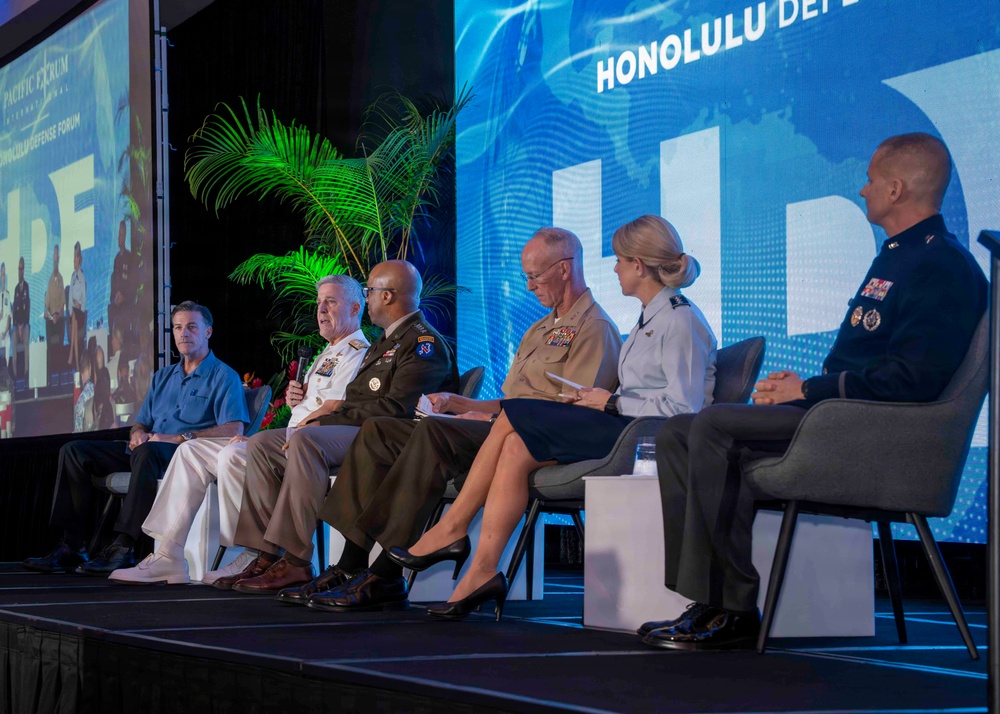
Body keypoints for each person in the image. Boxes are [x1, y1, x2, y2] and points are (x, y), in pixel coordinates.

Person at [639, 132, 988, 651]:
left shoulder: (940, 265)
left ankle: (732, 607)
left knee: (711, 426)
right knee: (679, 432)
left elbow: (915, 381)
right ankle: (708, 597)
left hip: (877, 431)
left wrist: (812, 388)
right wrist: (801, 391)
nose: (863, 189)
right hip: (841, 413)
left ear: (895, 189)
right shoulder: (901, 255)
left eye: (871, 179)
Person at [393, 215, 717, 619]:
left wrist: (612, 403)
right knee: (513, 445)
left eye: (619, 259)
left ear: (638, 264)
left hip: (641, 436)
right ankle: (481, 571)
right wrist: (606, 401)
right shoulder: (649, 318)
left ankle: (454, 527)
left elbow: (684, 408)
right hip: (623, 423)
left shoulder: (680, 319)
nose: (613, 268)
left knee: (516, 415)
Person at [291, 226, 623, 613]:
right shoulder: (539, 329)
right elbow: (512, 401)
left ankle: (385, 574)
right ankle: (350, 564)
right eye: (526, 277)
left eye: (535, 276)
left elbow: (569, 410)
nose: (529, 286)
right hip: (506, 425)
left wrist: (482, 418)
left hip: (536, 440)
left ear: (565, 270)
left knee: (431, 433)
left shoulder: (594, 328)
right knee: (379, 431)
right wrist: (460, 403)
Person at [213, 260, 459, 594]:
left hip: (388, 439)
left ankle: (297, 562)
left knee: (307, 441)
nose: (367, 298)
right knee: (261, 445)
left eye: (370, 291)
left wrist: (330, 415)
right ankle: (266, 554)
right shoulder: (386, 342)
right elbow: (357, 400)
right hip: (359, 430)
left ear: (387, 296)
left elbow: (396, 411)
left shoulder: (422, 343)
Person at [109, 275, 370, 585]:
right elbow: (313, 404)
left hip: (307, 450)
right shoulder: (325, 352)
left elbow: (335, 409)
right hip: (286, 442)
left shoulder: (357, 350)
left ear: (355, 308)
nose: (321, 309)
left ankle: (252, 551)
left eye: (331, 302)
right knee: (190, 451)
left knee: (233, 454)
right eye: (318, 303)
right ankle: (169, 555)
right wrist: (293, 399)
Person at [23, 301, 250, 575]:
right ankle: (72, 545)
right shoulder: (164, 376)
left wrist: (180, 437)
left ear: (208, 332)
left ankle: (124, 546)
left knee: (148, 452)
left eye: (191, 327)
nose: (183, 334)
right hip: (147, 449)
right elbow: (141, 421)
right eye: (178, 327)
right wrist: (138, 434)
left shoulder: (224, 376)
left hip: (182, 455)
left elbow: (234, 429)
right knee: (74, 451)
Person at [108, 220, 135, 344]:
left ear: (125, 236)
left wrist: (123, 297)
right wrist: (115, 297)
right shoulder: (116, 259)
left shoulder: (130, 258)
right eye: (118, 234)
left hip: (126, 302)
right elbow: (114, 282)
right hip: (117, 302)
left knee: (125, 314)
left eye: (121, 234)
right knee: (111, 310)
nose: (119, 237)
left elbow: (132, 284)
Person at [44, 244, 66, 373]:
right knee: (48, 325)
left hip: (59, 317)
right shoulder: (49, 281)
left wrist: (58, 316)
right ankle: (49, 369)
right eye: (54, 257)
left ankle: (60, 369)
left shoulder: (62, 279)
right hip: (51, 318)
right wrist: (52, 317)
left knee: (62, 323)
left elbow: (63, 306)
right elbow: (46, 308)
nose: (56, 260)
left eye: (57, 257)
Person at [67, 242, 87, 370]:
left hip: (80, 313)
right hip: (74, 314)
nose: (74, 260)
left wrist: (80, 308)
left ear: (79, 260)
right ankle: (76, 361)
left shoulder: (81, 275)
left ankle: (71, 355)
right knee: (73, 316)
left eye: (76, 257)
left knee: (75, 315)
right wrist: (71, 310)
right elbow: (69, 299)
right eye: (73, 257)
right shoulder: (72, 277)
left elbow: (84, 298)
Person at [12, 256, 29, 381]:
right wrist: (17, 325)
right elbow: (15, 310)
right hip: (17, 326)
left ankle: (27, 371)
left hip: (25, 324)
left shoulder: (26, 287)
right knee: (13, 338)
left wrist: (23, 324)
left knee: (27, 336)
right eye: (19, 269)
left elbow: (26, 308)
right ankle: (14, 374)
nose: (20, 271)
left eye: (22, 269)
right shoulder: (16, 289)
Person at [0, 262, 10, 387]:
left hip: (5, 333)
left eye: (4, 274)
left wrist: (6, 331)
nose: (3, 277)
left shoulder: (7, 295)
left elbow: (9, 317)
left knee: (7, 344)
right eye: (1, 274)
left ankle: (6, 379)